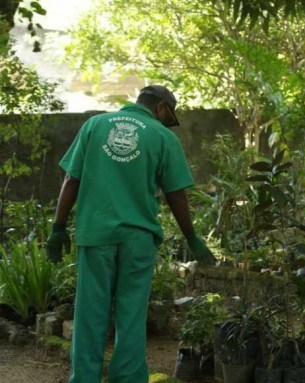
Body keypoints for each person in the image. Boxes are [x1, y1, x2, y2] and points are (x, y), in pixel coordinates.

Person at [45, 85, 214, 383]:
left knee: (89, 315)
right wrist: (192, 237)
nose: (166, 122)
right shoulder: (163, 137)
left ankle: (84, 378)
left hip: (96, 235)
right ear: (161, 108)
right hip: (138, 239)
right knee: (131, 316)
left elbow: (72, 179)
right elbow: (176, 195)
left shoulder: (94, 126)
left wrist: (58, 228)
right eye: (167, 116)